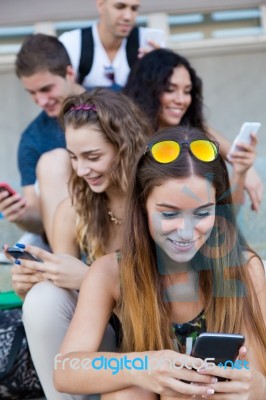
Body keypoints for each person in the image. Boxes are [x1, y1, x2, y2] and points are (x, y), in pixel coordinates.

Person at [51, 125, 266, 399]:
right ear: (142, 207)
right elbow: (66, 368)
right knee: (128, 392)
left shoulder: (243, 268)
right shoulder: (110, 272)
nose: (187, 232)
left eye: (202, 213)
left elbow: (258, 375)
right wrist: (143, 366)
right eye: (169, 214)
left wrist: (251, 387)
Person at [5, 89, 151, 400]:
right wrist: (29, 285)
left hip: (154, 341)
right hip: (102, 341)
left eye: (93, 156)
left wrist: (90, 279)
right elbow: (59, 304)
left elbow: (175, 304)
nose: (82, 170)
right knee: (44, 297)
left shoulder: (157, 205)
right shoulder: (74, 211)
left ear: (124, 146)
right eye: (74, 157)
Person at [124, 48, 263, 212]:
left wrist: (241, 172)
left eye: (187, 91)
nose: (181, 100)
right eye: (170, 89)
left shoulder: (195, 139)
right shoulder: (126, 142)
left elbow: (226, 217)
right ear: (146, 90)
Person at [0, 33, 84, 246]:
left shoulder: (116, 106)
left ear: (69, 73)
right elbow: (38, 220)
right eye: (32, 93)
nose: (41, 101)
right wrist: (21, 216)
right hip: (69, 240)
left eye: (46, 89)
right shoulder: (32, 139)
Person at [59, 0, 164, 89]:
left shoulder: (147, 41)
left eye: (134, 9)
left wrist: (158, 71)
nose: (128, 16)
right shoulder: (72, 42)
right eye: (120, 7)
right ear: (100, 5)